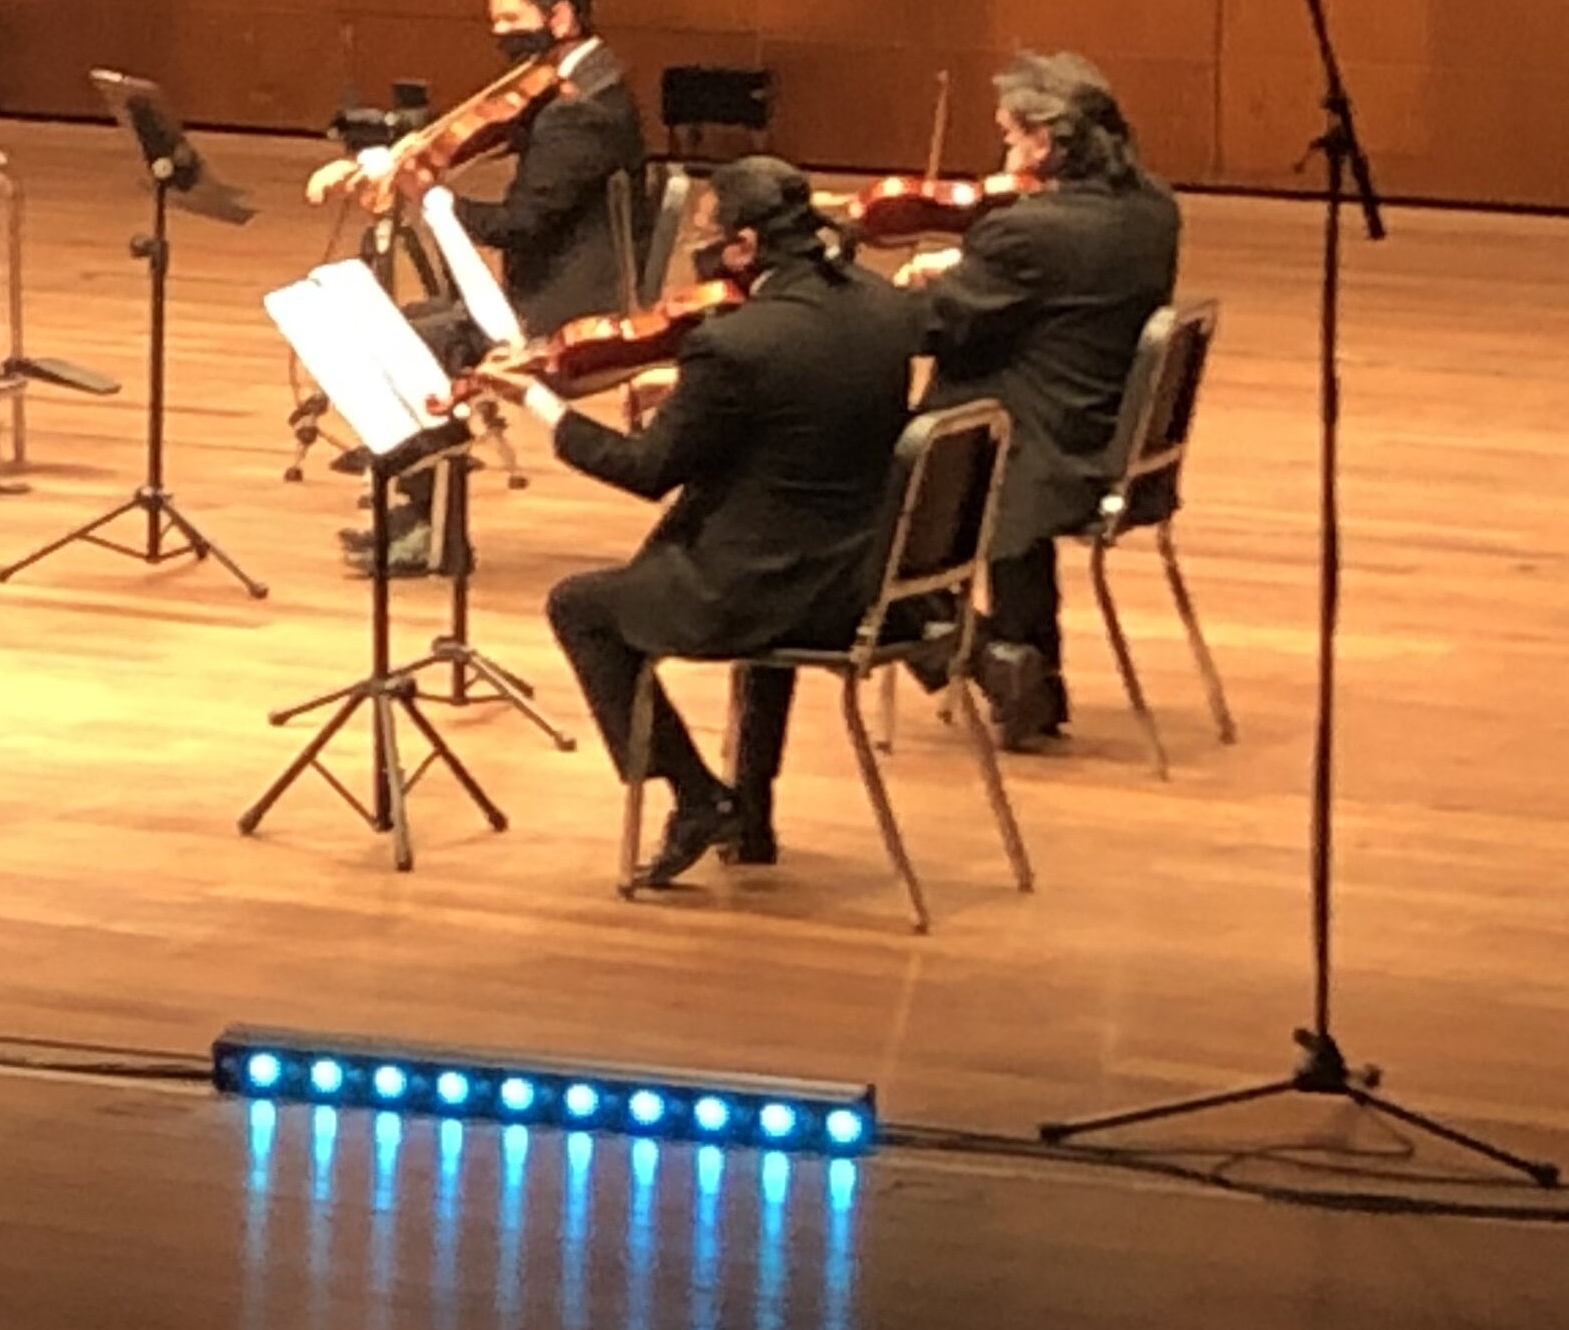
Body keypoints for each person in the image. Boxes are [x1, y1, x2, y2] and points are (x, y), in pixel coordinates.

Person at [500, 157, 923, 887]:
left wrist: (540, 404)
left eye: (707, 233)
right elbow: (801, 402)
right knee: (747, 575)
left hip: (767, 591)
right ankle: (749, 814)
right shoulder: (882, 306)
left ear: (744, 248)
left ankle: (698, 798)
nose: (697, 249)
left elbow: (648, 471)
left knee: (581, 607)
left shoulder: (734, 344)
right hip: (864, 578)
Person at [309, 0, 648, 569]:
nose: (499, 35)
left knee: (410, 343)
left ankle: (434, 528)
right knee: (406, 329)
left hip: (568, 308)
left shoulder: (582, 114)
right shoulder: (576, 80)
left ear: (562, 18)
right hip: (554, 283)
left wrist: (433, 196)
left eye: (512, 21)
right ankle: (422, 508)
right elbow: (472, 129)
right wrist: (381, 159)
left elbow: (518, 225)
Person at [901, 51, 1184, 749]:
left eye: (1009, 136)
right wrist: (971, 264)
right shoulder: (1153, 208)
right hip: (1105, 429)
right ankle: (1033, 680)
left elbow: (937, 329)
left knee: (847, 504)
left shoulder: (1027, 232)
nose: (1002, 150)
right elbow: (1050, 294)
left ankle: (990, 657)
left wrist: (902, 289)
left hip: (1032, 450)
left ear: (1048, 143)